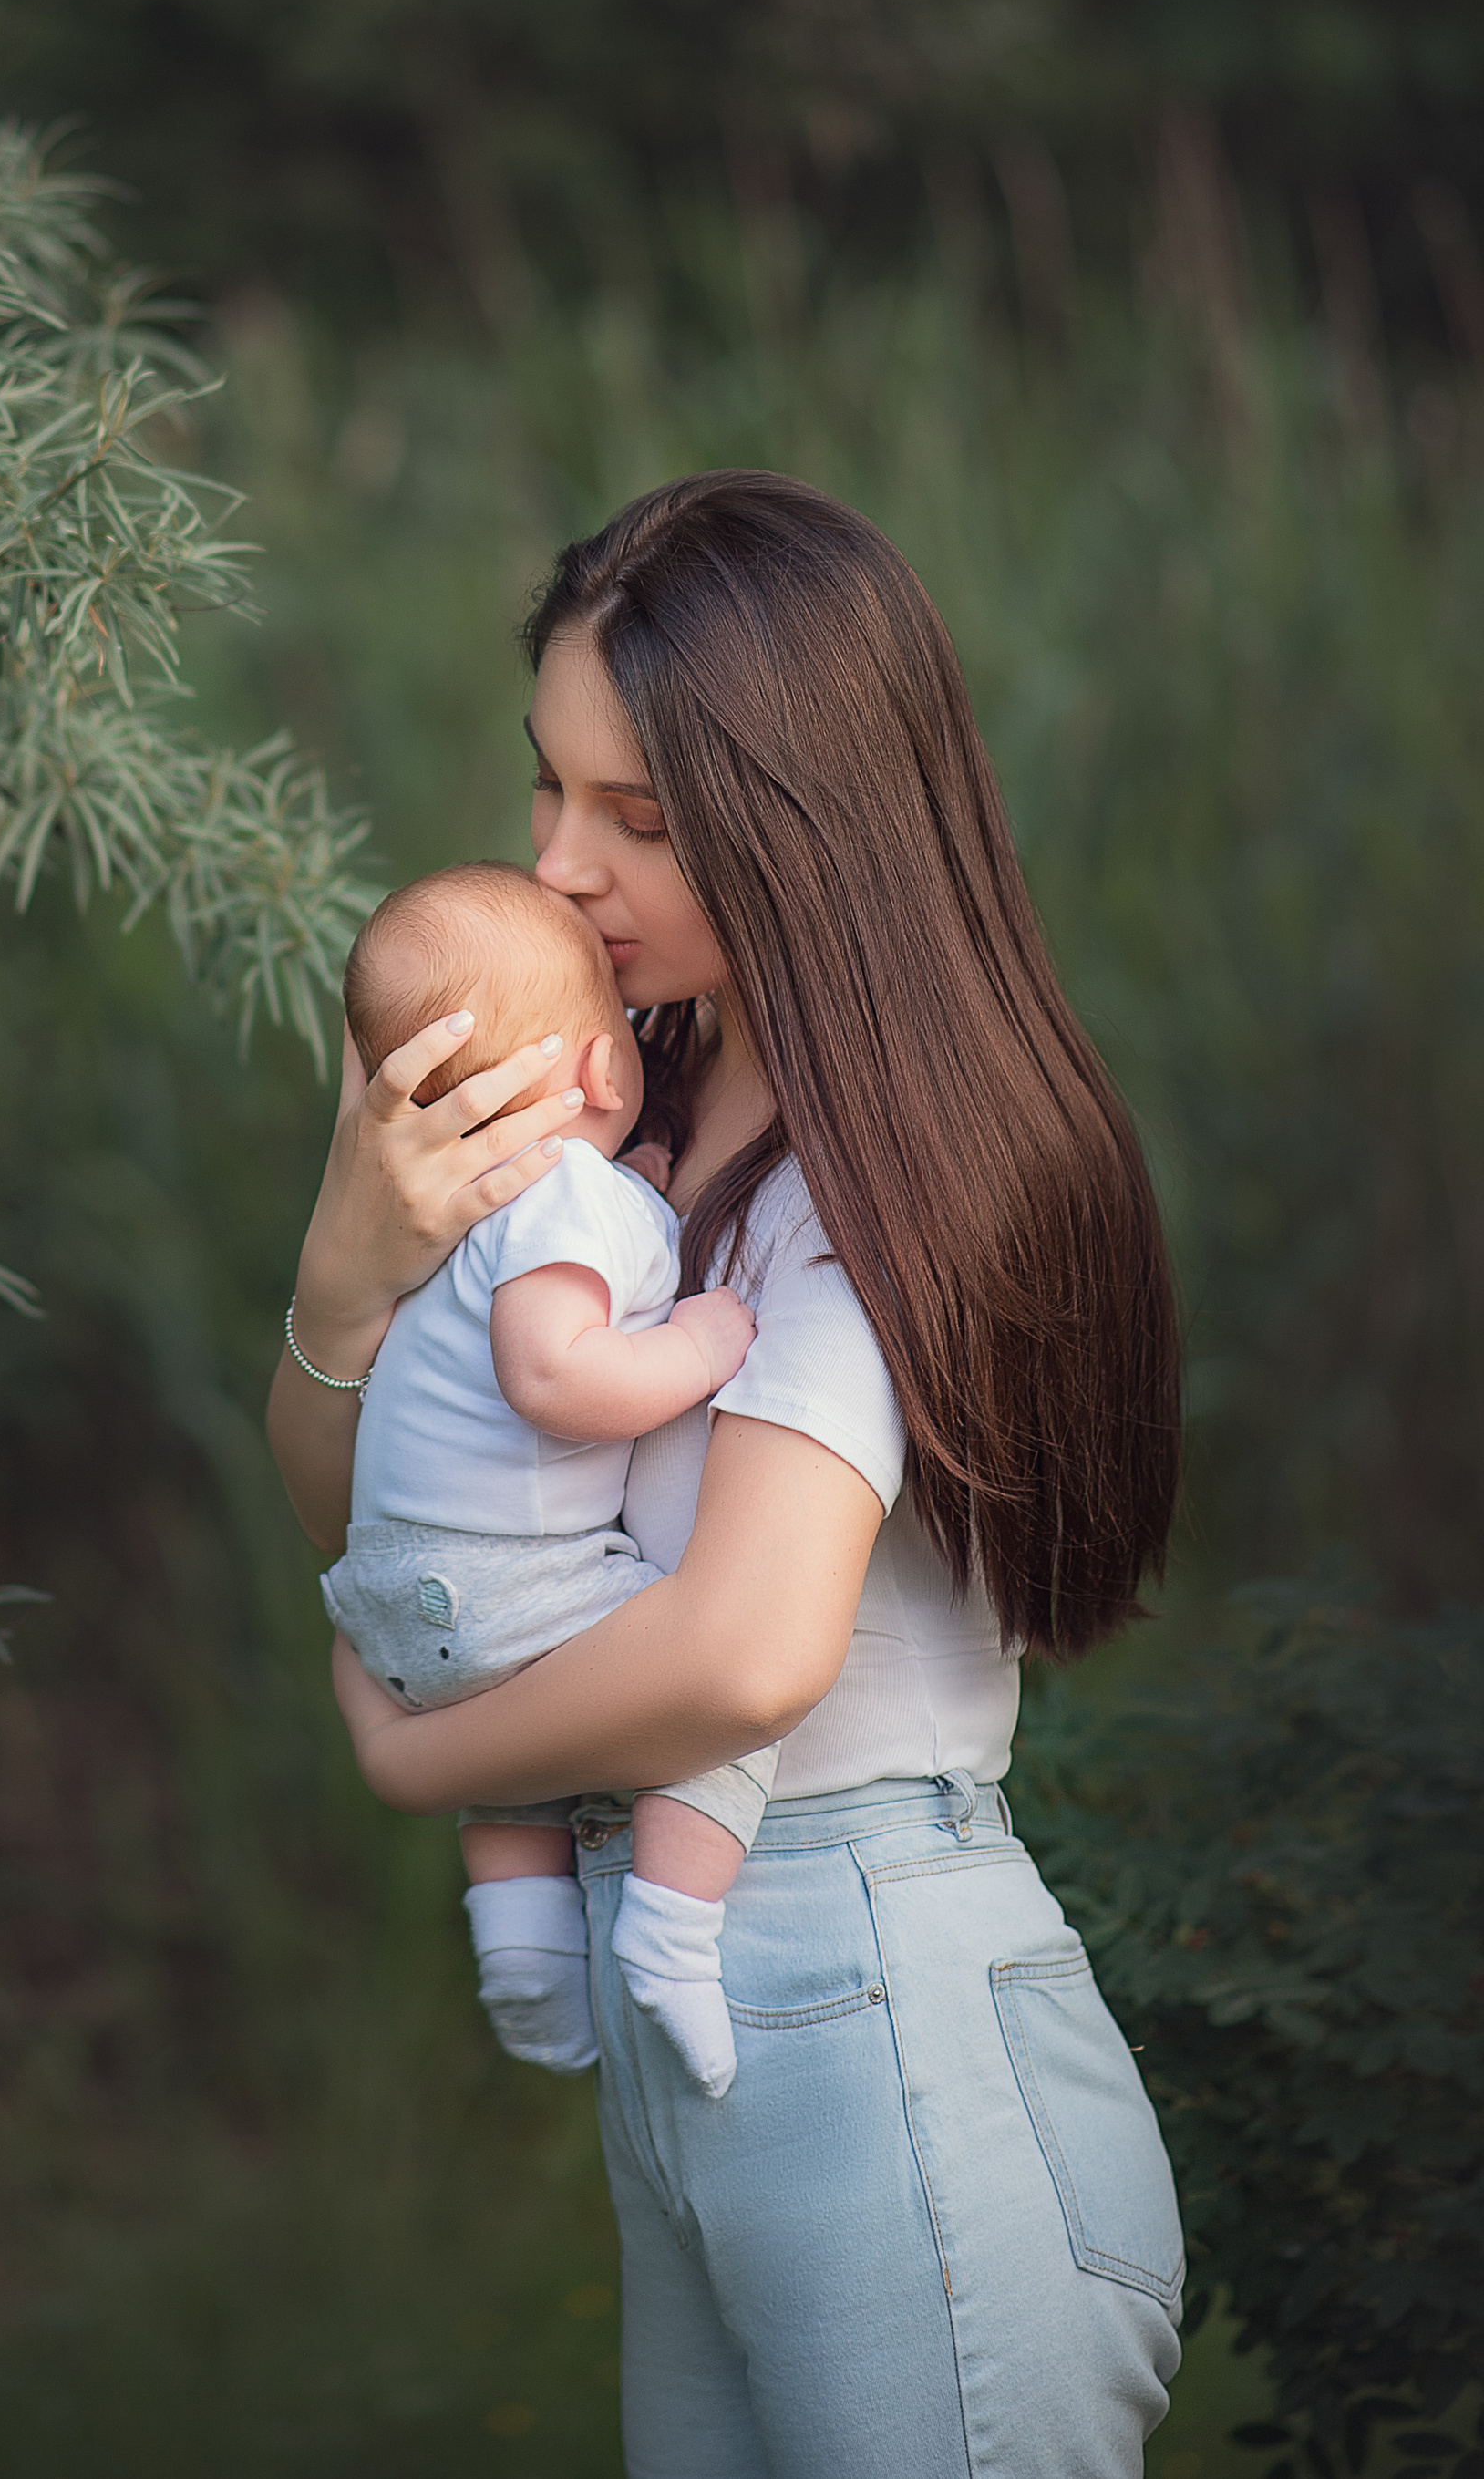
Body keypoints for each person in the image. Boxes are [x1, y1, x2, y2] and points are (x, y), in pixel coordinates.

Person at [266, 471, 1186, 2479]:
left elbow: (749, 1649)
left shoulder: (890, 1182)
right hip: (696, 2011)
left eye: (638, 819)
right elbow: (388, 1531)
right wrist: (346, 1272)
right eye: (544, 794)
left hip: (880, 2008)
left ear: (802, 816)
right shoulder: (621, 1112)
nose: (555, 866)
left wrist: (430, 1763)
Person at [324, 858, 771, 2093]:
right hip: (503, 1584)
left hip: (399, 1610)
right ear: (598, 1069)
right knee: (714, 1718)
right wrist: (699, 1341)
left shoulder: (472, 1210)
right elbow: (552, 1374)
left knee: (510, 1748)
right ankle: (675, 1940)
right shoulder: (574, 1194)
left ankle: (521, 1953)